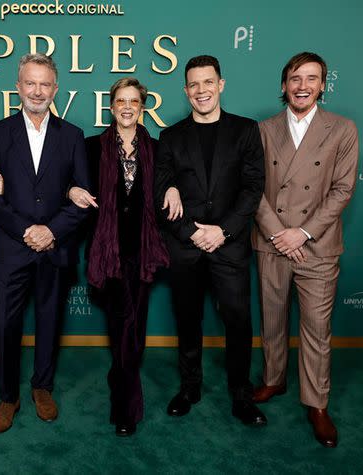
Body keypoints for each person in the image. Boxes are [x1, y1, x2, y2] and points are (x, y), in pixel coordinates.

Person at [252, 52, 359, 448]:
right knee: (272, 319)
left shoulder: (343, 129)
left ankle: (316, 403)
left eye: (311, 79)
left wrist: (303, 233)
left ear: (322, 86)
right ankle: (273, 380)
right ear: (284, 85)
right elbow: (255, 187)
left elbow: (342, 189)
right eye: (295, 78)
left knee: (316, 329)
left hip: (317, 246)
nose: (302, 86)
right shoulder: (263, 129)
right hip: (271, 241)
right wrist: (279, 232)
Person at [0, 53, 90, 434]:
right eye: (31, 83)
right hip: (13, 248)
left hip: (55, 248)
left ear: (56, 89)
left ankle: (42, 387)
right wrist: (28, 230)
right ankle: (7, 397)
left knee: (49, 321)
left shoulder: (73, 136)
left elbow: (84, 198)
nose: (37, 91)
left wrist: (51, 232)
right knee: (6, 326)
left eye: (45, 84)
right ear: (18, 87)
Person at [153, 55, 267, 425]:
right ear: (185, 90)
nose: (201, 91)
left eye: (208, 83)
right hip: (185, 246)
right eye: (194, 85)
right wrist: (191, 232)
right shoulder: (169, 137)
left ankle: (241, 394)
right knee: (188, 319)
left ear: (221, 85)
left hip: (229, 244)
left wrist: (224, 231)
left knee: (237, 320)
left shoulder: (246, 130)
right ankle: (190, 387)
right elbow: (160, 191)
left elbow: (253, 188)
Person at [67, 77, 169, 437]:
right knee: (125, 326)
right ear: (111, 108)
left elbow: (168, 185)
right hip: (107, 252)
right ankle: (126, 409)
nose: (127, 107)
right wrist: (72, 188)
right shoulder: (91, 147)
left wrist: (171, 187)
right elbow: (67, 181)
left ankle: (117, 374)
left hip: (142, 253)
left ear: (142, 108)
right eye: (121, 101)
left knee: (134, 331)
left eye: (134, 102)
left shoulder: (157, 150)